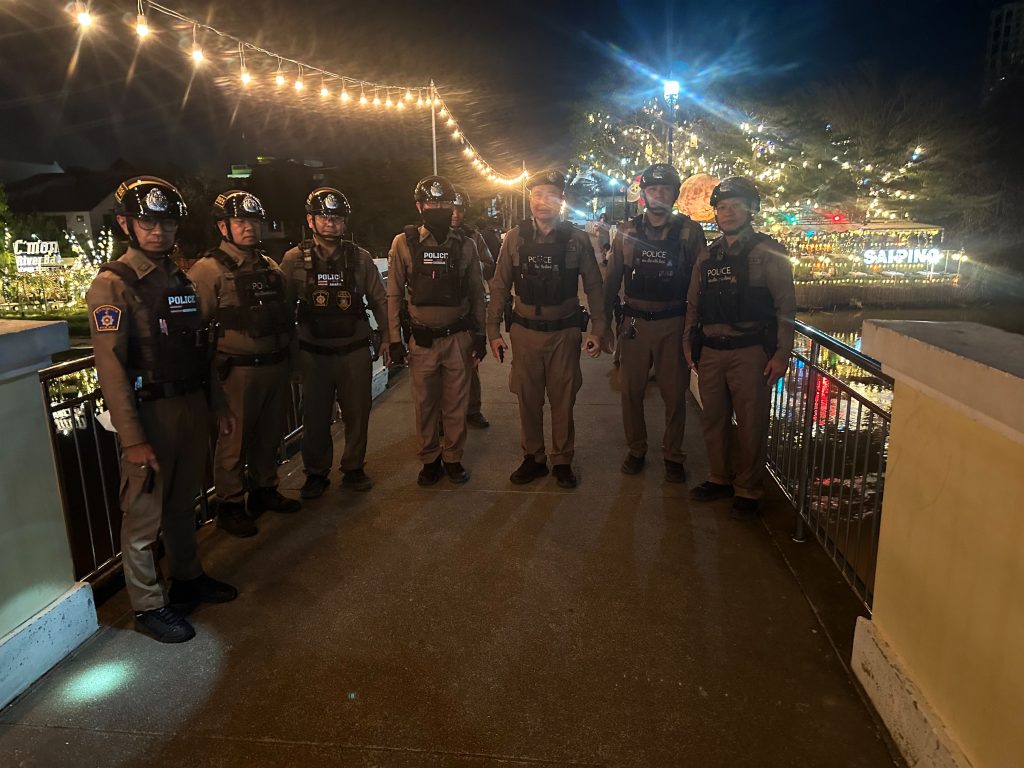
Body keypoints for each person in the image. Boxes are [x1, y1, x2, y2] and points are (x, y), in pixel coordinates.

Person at [86, 176, 237, 643]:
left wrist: (217, 403)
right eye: (148, 222)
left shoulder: (178, 278)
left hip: (188, 403)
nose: (158, 231)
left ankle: (187, 576)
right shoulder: (113, 284)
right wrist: (132, 438)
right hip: (149, 411)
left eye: (167, 222)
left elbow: (199, 346)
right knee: (143, 514)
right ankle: (148, 604)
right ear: (125, 224)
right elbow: (111, 368)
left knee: (182, 502)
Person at [487, 170, 610, 489]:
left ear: (561, 200)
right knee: (527, 398)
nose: (543, 202)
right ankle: (533, 456)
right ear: (530, 199)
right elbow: (499, 286)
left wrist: (598, 329)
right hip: (525, 334)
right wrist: (493, 330)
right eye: (538, 195)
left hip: (564, 334)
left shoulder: (577, 239)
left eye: (551, 195)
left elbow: (594, 286)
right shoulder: (515, 238)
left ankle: (562, 459)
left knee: (563, 398)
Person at [683, 176, 796, 519]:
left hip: (750, 352)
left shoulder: (768, 252)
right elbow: (693, 303)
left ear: (751, 210)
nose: (728, 212)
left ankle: (748, 489)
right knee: (713, 419)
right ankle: (719, 477)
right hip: (711, 351)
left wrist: (782, 353)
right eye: (722, 207)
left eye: (736, 206)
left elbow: (785, 307)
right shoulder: (708, 254)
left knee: (751, 422)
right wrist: (688, 344)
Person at [188, 190, 299, 537]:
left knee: (270, 434)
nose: (249, 227)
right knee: (233, 441)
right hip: (236, 371)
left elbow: (286, 316)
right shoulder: (207, 271)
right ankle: (231, 504)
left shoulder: (270, 266)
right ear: (223, 227)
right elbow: (195, 328)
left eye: (254, 221)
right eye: (240, 221)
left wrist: (292, 363)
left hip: (274, 366)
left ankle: (265, 488)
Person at [280, 188, 387, 499]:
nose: (331, 223)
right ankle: (316, 472)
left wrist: (389, 338)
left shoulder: (360, 258)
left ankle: (353, 467)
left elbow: (379, 300)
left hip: (353, 349)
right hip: (313, 353)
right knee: (314, 416)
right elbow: (283, 309)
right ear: (310, 220)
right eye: (324, 216)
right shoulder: (294, 259)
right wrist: (288, 352)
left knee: (358, 413)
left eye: (337, 217)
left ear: (345, 221)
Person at [603, 163, 707, 483]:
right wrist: (602, 324)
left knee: (674, 395)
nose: (658, 195)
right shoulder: (627, 231)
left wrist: (698, 330)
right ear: (644, 194)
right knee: (630, 391)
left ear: (674, 194)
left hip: (673, 323)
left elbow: (701, 283)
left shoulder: (690, 232)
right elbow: (611, 280)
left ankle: (673, 454)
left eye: (665, 189)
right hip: (634, 323)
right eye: (652, 189)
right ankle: (636, 449)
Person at [386, 175, 487, 485]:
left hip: (457, 338)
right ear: (419, 207)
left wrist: (480, 335)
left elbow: (476, 293)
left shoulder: (466, 244)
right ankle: (430, 458)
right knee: (425, 404)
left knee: (456, 403)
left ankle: (453, 457)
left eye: (444, 203)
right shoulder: (403, 243)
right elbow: (393, 294)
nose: (439, 208)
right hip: (422, 339)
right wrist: (394, 339)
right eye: (432, 203)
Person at [452, 187, 495, 429]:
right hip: (439, 309)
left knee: (471, 361)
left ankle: (472, 409)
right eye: (452, 208)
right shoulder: (425, 238)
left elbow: (489, 265)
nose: (455, 214)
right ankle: (441, 415)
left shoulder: (473, 237)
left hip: (467, 308)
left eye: (460, 209)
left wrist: (468, 264)